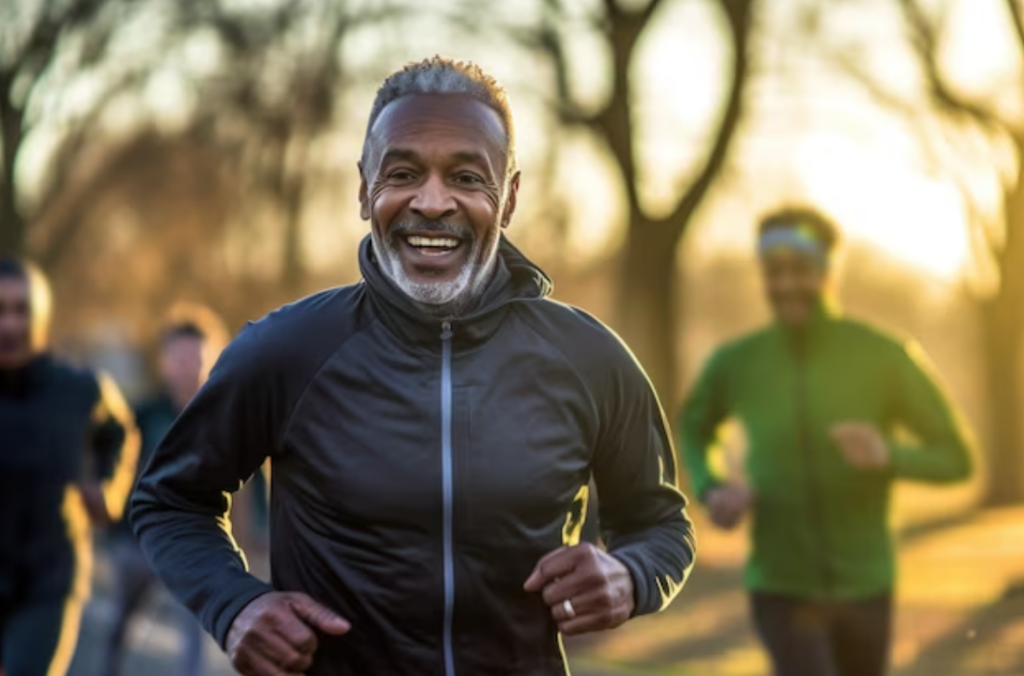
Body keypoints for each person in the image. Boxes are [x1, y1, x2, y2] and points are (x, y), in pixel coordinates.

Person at [131, 56, 695, 676]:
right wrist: (234, 606)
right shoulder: (286, 351)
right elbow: (170, 501)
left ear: (507, 198)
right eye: (402, 172)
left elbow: (661, 524)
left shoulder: (590, 358)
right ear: (363, 187)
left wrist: (631, 575)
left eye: (466, 177)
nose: (431, 202)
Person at [679, 208, 975, 676]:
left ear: (829, 271)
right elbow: (695, 427)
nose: (787, 285)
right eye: (775, 272)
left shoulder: (882, 355)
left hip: (866, 585)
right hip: (781, 583)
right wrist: (712, 486)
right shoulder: (740, 361)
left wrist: (888, 454)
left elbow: (957, 458)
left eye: (801, 269)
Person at [0, 257, 138, 676]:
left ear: (41, 317)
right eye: (0, 311)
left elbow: (121, 432)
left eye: (21, 310)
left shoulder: (80, 391)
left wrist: (108, 491)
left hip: (50, 576)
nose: (9, 324)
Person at [102, 305, 226, 676]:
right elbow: (115, 472)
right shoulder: (141, 416)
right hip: (138, 540)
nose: (188, 366)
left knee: (195, 623)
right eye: (180, 357)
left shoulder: (224, 417)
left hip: (194, 543)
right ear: (164, 362)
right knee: (123, 619)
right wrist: (114, 534)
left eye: (197, 357)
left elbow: (253, 489)